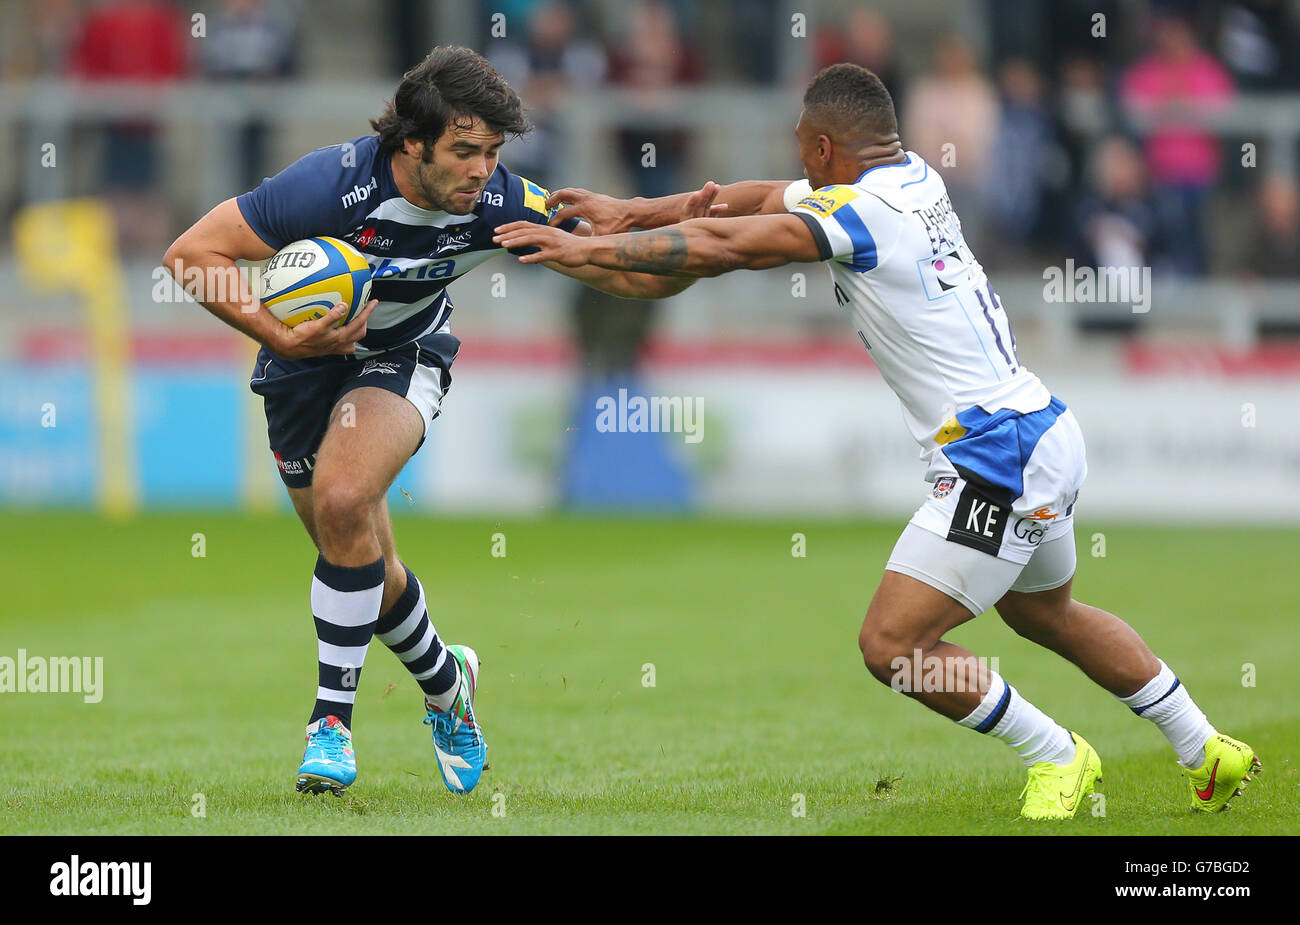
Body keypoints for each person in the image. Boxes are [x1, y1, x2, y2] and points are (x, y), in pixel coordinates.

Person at [492, 63, 1261, 818]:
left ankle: (1056, 753)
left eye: (802, 144)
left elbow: (728, 246)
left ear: (826, 149)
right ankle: (1204, 746)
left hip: (995, 453)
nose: (797, 161)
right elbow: (756, 200)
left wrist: (585, 249)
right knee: (1045, 614)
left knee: (892, 644)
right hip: (1043, 426)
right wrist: (633, 209)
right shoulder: (913, 178)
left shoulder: (862, 216)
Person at [163, 45, 692, 797]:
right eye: (465, 151)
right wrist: (277, 333)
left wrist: (696, 249)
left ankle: (330, 728)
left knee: (347, 500)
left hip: (403, 356)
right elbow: (193, 253)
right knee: (359, 559)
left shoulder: (500, 203)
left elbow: (616, 269)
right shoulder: (329, 186)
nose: (483, 170)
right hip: (301, 366)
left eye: (494, 153)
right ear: (412, 142)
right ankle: (450, 686)